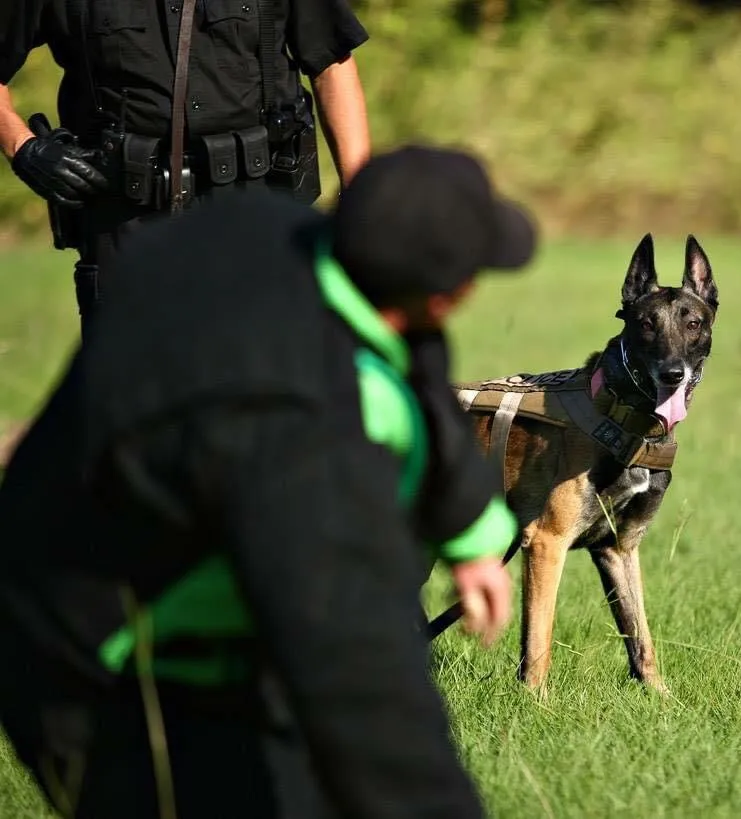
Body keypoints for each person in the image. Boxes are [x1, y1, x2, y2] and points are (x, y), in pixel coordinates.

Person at [0, 144, 537, 818]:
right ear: (446, 294)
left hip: (175, 554)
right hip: (89, 658)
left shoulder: (278, 229)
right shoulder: (300, 433)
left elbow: (414, 355)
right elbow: (359, 678)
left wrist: (468, 530)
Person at [0, 0, 372, 337]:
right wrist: (23, 147)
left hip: (262, 214)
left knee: (269, 385)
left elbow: (332, 64)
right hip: (126, 221)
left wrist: (361, 203)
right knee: (133, 396)